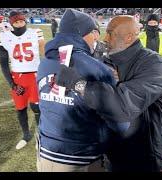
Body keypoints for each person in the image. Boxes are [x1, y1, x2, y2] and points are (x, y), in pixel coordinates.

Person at [55, 15, 162, 171]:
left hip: (143, 155)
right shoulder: (104, 60)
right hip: (111, 151)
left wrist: (79, 84)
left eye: (110, 33)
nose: (104, 38)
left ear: (129, 37)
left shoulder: (155, 64)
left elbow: (123, 106)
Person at [36, 8, 120, 172]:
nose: (95, 37)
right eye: (93, 32)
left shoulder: (44, 62)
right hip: (81, 156)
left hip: (46, 150)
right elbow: (116, 118)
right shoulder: (98, 69)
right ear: (85, 33)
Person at [0, 11, 45, 150]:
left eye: (21, 21)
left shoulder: (36, 32)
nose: (19, 23)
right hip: (18, 77)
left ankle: (41, 135)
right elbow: (3, 64)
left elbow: (44, 52)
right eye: (16, 22)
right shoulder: (4, 37)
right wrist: (12, 84)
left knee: (37, 107)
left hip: (35, 75)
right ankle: (26, 135)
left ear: (25, 21)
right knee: (20, 108)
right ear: (11, 23)